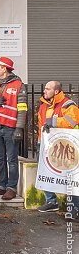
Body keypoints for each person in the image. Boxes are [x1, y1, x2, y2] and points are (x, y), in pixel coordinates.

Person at [0, 57, 27, 201]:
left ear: (4, 68)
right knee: (0, 158)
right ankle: (1, 186)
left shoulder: (19, 85)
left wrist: (19, 128)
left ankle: (11, 188)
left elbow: (22, 109)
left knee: (12, 159)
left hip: (11, 128)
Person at [35, 80, 79, 217]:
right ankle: (51, 201)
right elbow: (41, 126)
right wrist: (40, 143)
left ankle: (74, 207)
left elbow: (72, 121)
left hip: (65, 147)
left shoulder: (68, 105)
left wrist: (53, 122)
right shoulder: (43, 106)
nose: (44, 91)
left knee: (70, 176)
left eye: (47, 89)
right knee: (46, 173)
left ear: (56, 91)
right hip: (45, 145)